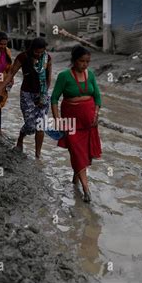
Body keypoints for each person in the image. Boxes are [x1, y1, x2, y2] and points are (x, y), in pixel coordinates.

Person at [51, 45, 102, 203]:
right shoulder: (64, 76)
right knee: (76, 150)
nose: (85, 64)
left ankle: (76, 180)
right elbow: (54, 99)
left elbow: (98, 97)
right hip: (70, 121)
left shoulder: (91, 75)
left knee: (84, 153)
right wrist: (57, 119)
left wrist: (96, 113)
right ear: (74, 60)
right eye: (82, 61)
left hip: (89, 122)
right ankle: (86, 189)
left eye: (87, 61)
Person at [0, 38, 52, 158]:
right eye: (36, 52)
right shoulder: (23, 57)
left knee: (40, 125)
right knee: (30, 124)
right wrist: (1, 88)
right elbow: (11, 73)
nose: (39, 55)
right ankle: (21, 136)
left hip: (42, 94)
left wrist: (44, 94)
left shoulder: (47, 58)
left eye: (41, 52)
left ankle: (38, 155)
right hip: (27, 94)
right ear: (32, 49)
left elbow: (48, 78)